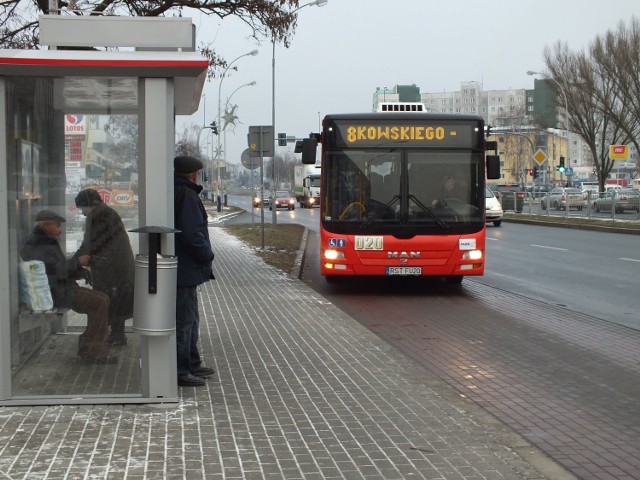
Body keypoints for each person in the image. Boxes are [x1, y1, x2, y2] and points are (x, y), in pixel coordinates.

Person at [20, 210, 116, 364]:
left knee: (101, 299)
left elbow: (58, 269)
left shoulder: (43, 241)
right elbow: (57, 271)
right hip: (57, 293)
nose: (60, 230)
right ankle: (94, 351)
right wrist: (77, 263)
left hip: (59, 289)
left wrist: (80, 269)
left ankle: (91, 346)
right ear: (47, 225)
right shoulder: (39, 244)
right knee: (100, 302)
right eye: (57, 226)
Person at [73, 188, 135, 346]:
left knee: (108, 300)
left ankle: (105, 337)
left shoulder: (99, 216)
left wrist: (76, 263)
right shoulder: (105, 213)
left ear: (89, 205)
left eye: (82, 208)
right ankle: (115, 336)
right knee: (115, 300)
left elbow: (91, 245)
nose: (82, 212)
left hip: (111, 268)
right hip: (116, 265)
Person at [174, 155, 216, 387]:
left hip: (183, 266)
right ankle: (182, 370)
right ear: (194, 174)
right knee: (186, 320)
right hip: (185, 266)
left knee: (190, 317)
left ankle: (192, 362)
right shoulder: (187, 195)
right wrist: (207, 254)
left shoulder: (179, 191)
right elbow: (192, 233)